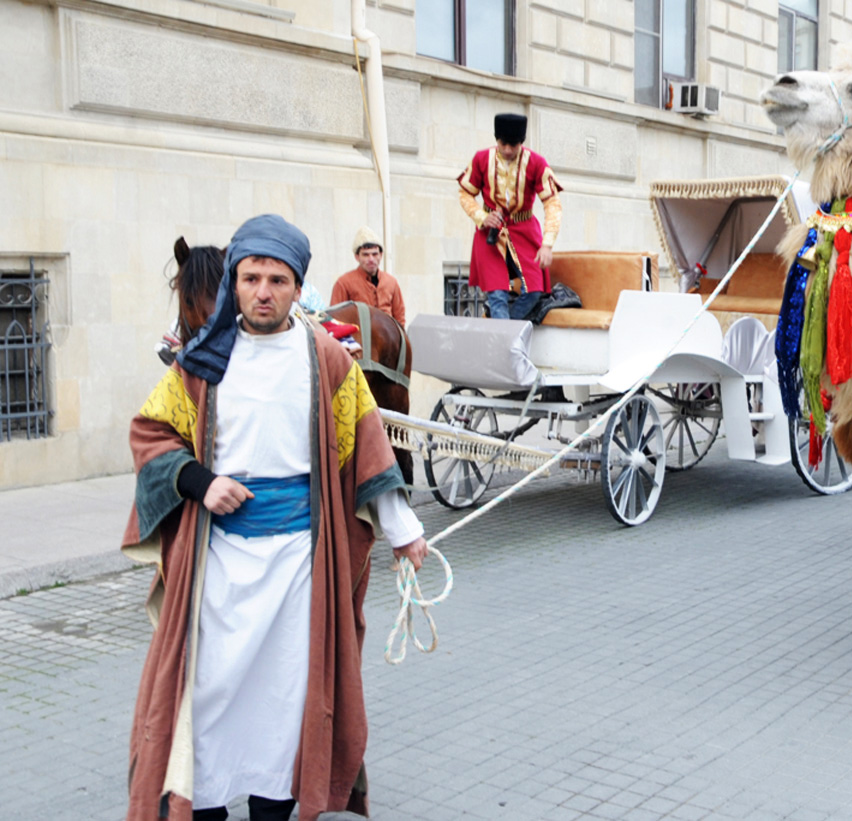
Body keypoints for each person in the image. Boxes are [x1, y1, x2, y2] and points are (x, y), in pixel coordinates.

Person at [122, 214, 428, 821]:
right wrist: (200, 483)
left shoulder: (326, 361)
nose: (263, 291)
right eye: (252, 277)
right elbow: (151, 435)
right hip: (218, 570)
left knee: (287, 707)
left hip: (296, 570)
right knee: (206, 703)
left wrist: (404, 529)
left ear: (297, 288)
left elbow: (364, 448)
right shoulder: (201, 361)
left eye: (278, 280)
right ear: (235, 283)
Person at [458, 112, 563, 320]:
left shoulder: (536, 163)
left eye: (513, 145)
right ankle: (505, 340)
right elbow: (465, 192)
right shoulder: (481, 159)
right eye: (503, 144)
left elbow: (552, 202)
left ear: (521, 143)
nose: (507, 150)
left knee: (534, 290)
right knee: (497, 295)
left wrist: (547, 244)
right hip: (491, 233)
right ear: (496, 139)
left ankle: (505, 330)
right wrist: (481, 216)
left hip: (524, 231)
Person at [330, 225, 407, 326]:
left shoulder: (391, 282)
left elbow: (400, 317)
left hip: (389, 339)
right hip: (358, 340)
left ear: (381, 255)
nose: (371, 259)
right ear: (357, 257)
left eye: (374, 254)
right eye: (366, 254)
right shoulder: (344, 283)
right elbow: (335, 318)